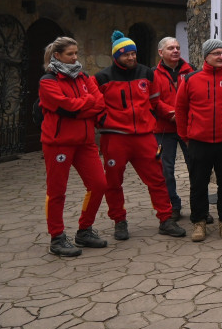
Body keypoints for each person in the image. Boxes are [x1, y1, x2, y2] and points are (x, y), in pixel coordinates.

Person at [96, 30, 186, 241]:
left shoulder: (147, 73)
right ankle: (119, 221)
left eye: (134, 54)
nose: (131, 58)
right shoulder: (102, 78)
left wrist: (173, 114)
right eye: (126, 54)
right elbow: (94, 107)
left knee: (157, 179)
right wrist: (103, 123)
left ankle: (165, 219)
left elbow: (155, 102)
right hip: (115, 138)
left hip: (145, 136)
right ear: (116, 56)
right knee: (113, 182)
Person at [38, 37, 108, 257]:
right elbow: (65, 107)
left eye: (76, 53)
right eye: (70, 54)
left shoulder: (84, 77)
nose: (75, 57)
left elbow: (100, 104)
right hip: (58, 144)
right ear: (57, 56)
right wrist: (85, 104)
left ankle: (84, 230)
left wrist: (79, 107)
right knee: (57, 192)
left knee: (99, 185)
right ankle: (56, 238)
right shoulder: (48, 81)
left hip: (85, 142)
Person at [175, 39, 222, 241]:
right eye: (216, 53)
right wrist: (185, 135)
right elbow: (181, 109)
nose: (221, 57)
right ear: (206, 56)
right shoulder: (191, 79)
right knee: (198, 184)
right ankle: (199, 223)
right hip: (199, 142)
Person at [152, 36, 198, 223]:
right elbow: (154, 99)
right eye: (171, 48)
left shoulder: (191, 71)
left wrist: (181, 116)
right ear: (161, 52)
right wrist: (172, 114)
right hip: (163, 128)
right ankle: (173, 206)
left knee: (196, 167)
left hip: (188, 128)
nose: (176, 51)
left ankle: (199, 207)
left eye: (178, 47)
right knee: (166, 170)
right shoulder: (153, 74)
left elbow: (196, 97)